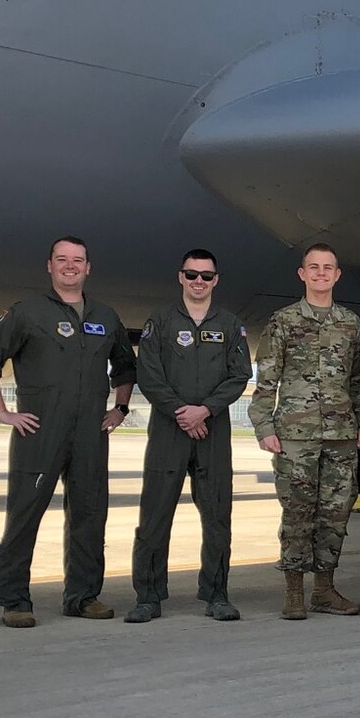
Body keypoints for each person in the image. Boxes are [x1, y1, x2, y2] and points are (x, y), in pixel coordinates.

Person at [0, 236, 136, 626]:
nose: (70, 266)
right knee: (25, 513)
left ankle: (83, 596)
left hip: (90, 433)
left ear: (88, 267)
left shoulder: (105, 316)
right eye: (61, 259)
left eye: (77, 260)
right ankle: (14, 599)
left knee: (90, 515)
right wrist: (2, 412)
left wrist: (120, 408)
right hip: (39, 430)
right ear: (49, 266)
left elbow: (126, 367)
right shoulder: (26, 313)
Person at [128, 249, 253, 623]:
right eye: (192, 274)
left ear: (216, 280)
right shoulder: (161, 321)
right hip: (169, 430)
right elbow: (148, 374)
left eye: (206, 276)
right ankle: (148, 597)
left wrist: (206, 409)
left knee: (217, 517)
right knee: (154, 516)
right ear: (180, 277)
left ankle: (216, 593)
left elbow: (239, 374)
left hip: (213, 432)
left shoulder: (230, 325)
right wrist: (183, 412)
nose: (199, 281)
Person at [251, 243, 360, 619]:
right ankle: (293, 590)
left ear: (337, 276)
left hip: (340, 434)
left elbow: (358, 379)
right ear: (302, 274)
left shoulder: (350, 323)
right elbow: (266, 379)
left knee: (336, 512)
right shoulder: (283, 321)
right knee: (297, 512)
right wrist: (264, 426)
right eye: (314, 268)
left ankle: (324, 589)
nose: (321, 273)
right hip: (295, 435)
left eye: (328, 268)